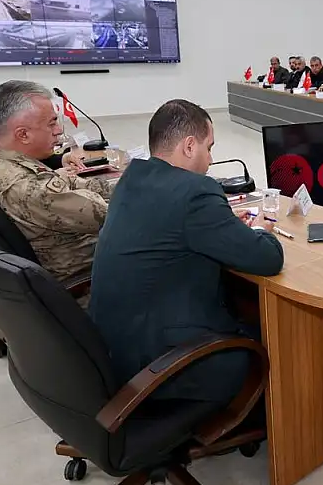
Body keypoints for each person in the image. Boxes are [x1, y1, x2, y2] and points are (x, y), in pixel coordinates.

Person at [89, 99, 283, 403]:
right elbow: (268, 258)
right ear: (190, 146)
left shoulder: (132, 178)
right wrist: (259, 229)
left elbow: (171, 226)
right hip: (162, 365)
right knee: (279, 336)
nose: (210, 160)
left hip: (117, 350)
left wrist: (221, 224)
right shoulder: (195, 191)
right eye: (209, 147)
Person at [0, 81, 117, 287]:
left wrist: (126, 186)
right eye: (51, 123)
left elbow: (68, 182)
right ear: (23, 134)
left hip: (75, 258)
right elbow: (113, 216)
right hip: (91, 276)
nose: (59, 130)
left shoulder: (2, 164)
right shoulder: (29, 187)